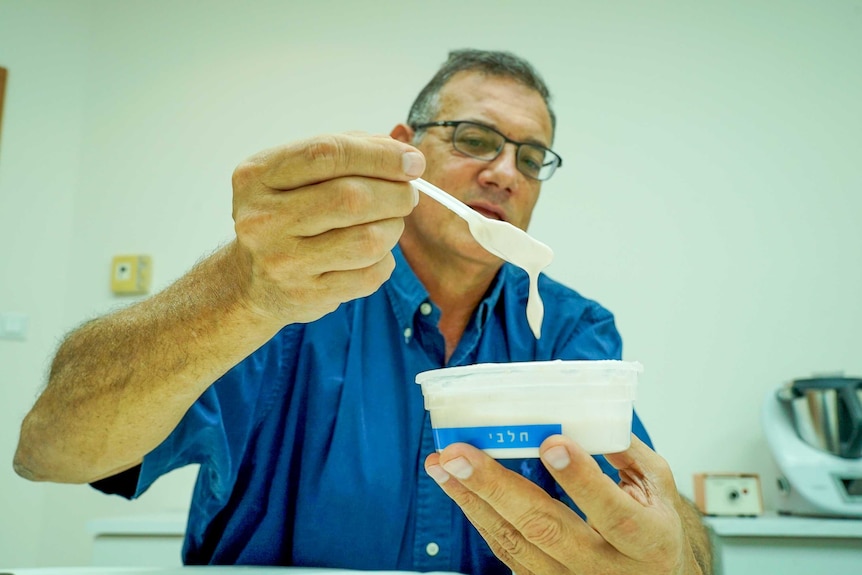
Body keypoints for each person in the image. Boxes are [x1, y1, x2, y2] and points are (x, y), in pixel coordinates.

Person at [14, 49, 712, 574]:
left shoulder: (567, 330)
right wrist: (241, 289)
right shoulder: (289, 300)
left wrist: (673, 555)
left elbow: (663, 513)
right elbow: (48, 450)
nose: (505, 171)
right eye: (474, 139)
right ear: (406, 148)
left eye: (532, 157)